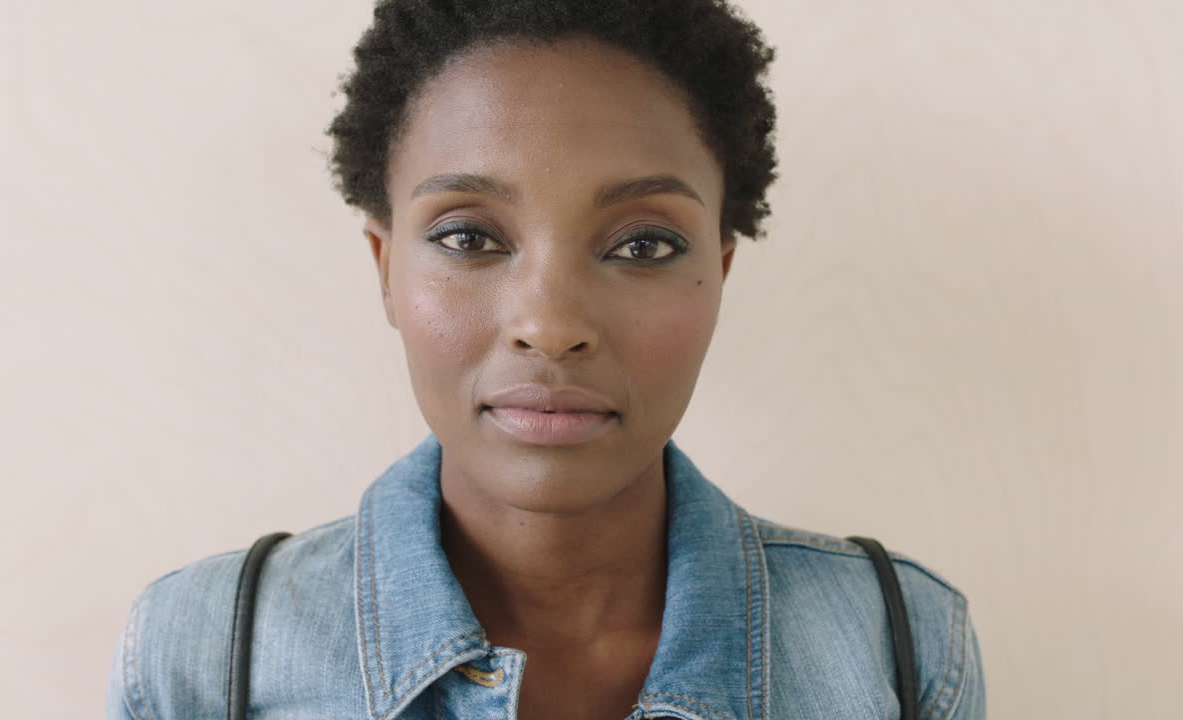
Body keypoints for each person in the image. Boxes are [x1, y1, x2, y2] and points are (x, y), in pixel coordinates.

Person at [106, 1, 986, 718]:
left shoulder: (895, 645)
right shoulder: (203, 654)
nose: (551, 324)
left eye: (643, 245)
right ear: (385, 271)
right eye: (468, 236)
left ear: (718, 274)